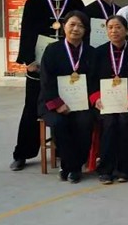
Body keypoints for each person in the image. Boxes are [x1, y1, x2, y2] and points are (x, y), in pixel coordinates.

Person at [10, 0, 85, 171]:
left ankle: (63, 151)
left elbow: (82, 32)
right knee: (31, 109)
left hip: (67, 64)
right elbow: (26, 32)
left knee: (69, 108)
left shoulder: (76, 3)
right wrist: (28, 60)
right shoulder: (34, 2)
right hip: (38, 65)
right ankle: (22, 154)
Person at [38, 10, 94, 183]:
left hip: (82, 103)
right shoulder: (52, 50)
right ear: (64, 27)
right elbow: (46, 80)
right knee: (59, 123)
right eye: (72, 24)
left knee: (85, 122)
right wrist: (58, 104)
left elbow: (94, 81)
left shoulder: (91, 52)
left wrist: (89, 101)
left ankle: (74, 166)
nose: (76, 29)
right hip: (53, 102)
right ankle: (70, 166)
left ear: (86, 30)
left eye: (80, 26)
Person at [88, 15, 128, 184]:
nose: (114, 31)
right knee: (109, 122)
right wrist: (96, 98)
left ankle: (125, 168)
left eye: (118, 27)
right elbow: (91, 79)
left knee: (125, 121)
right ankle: (105, 169)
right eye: (110, 28)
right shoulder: (98, 52)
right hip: (104, 102)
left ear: (126, 30)